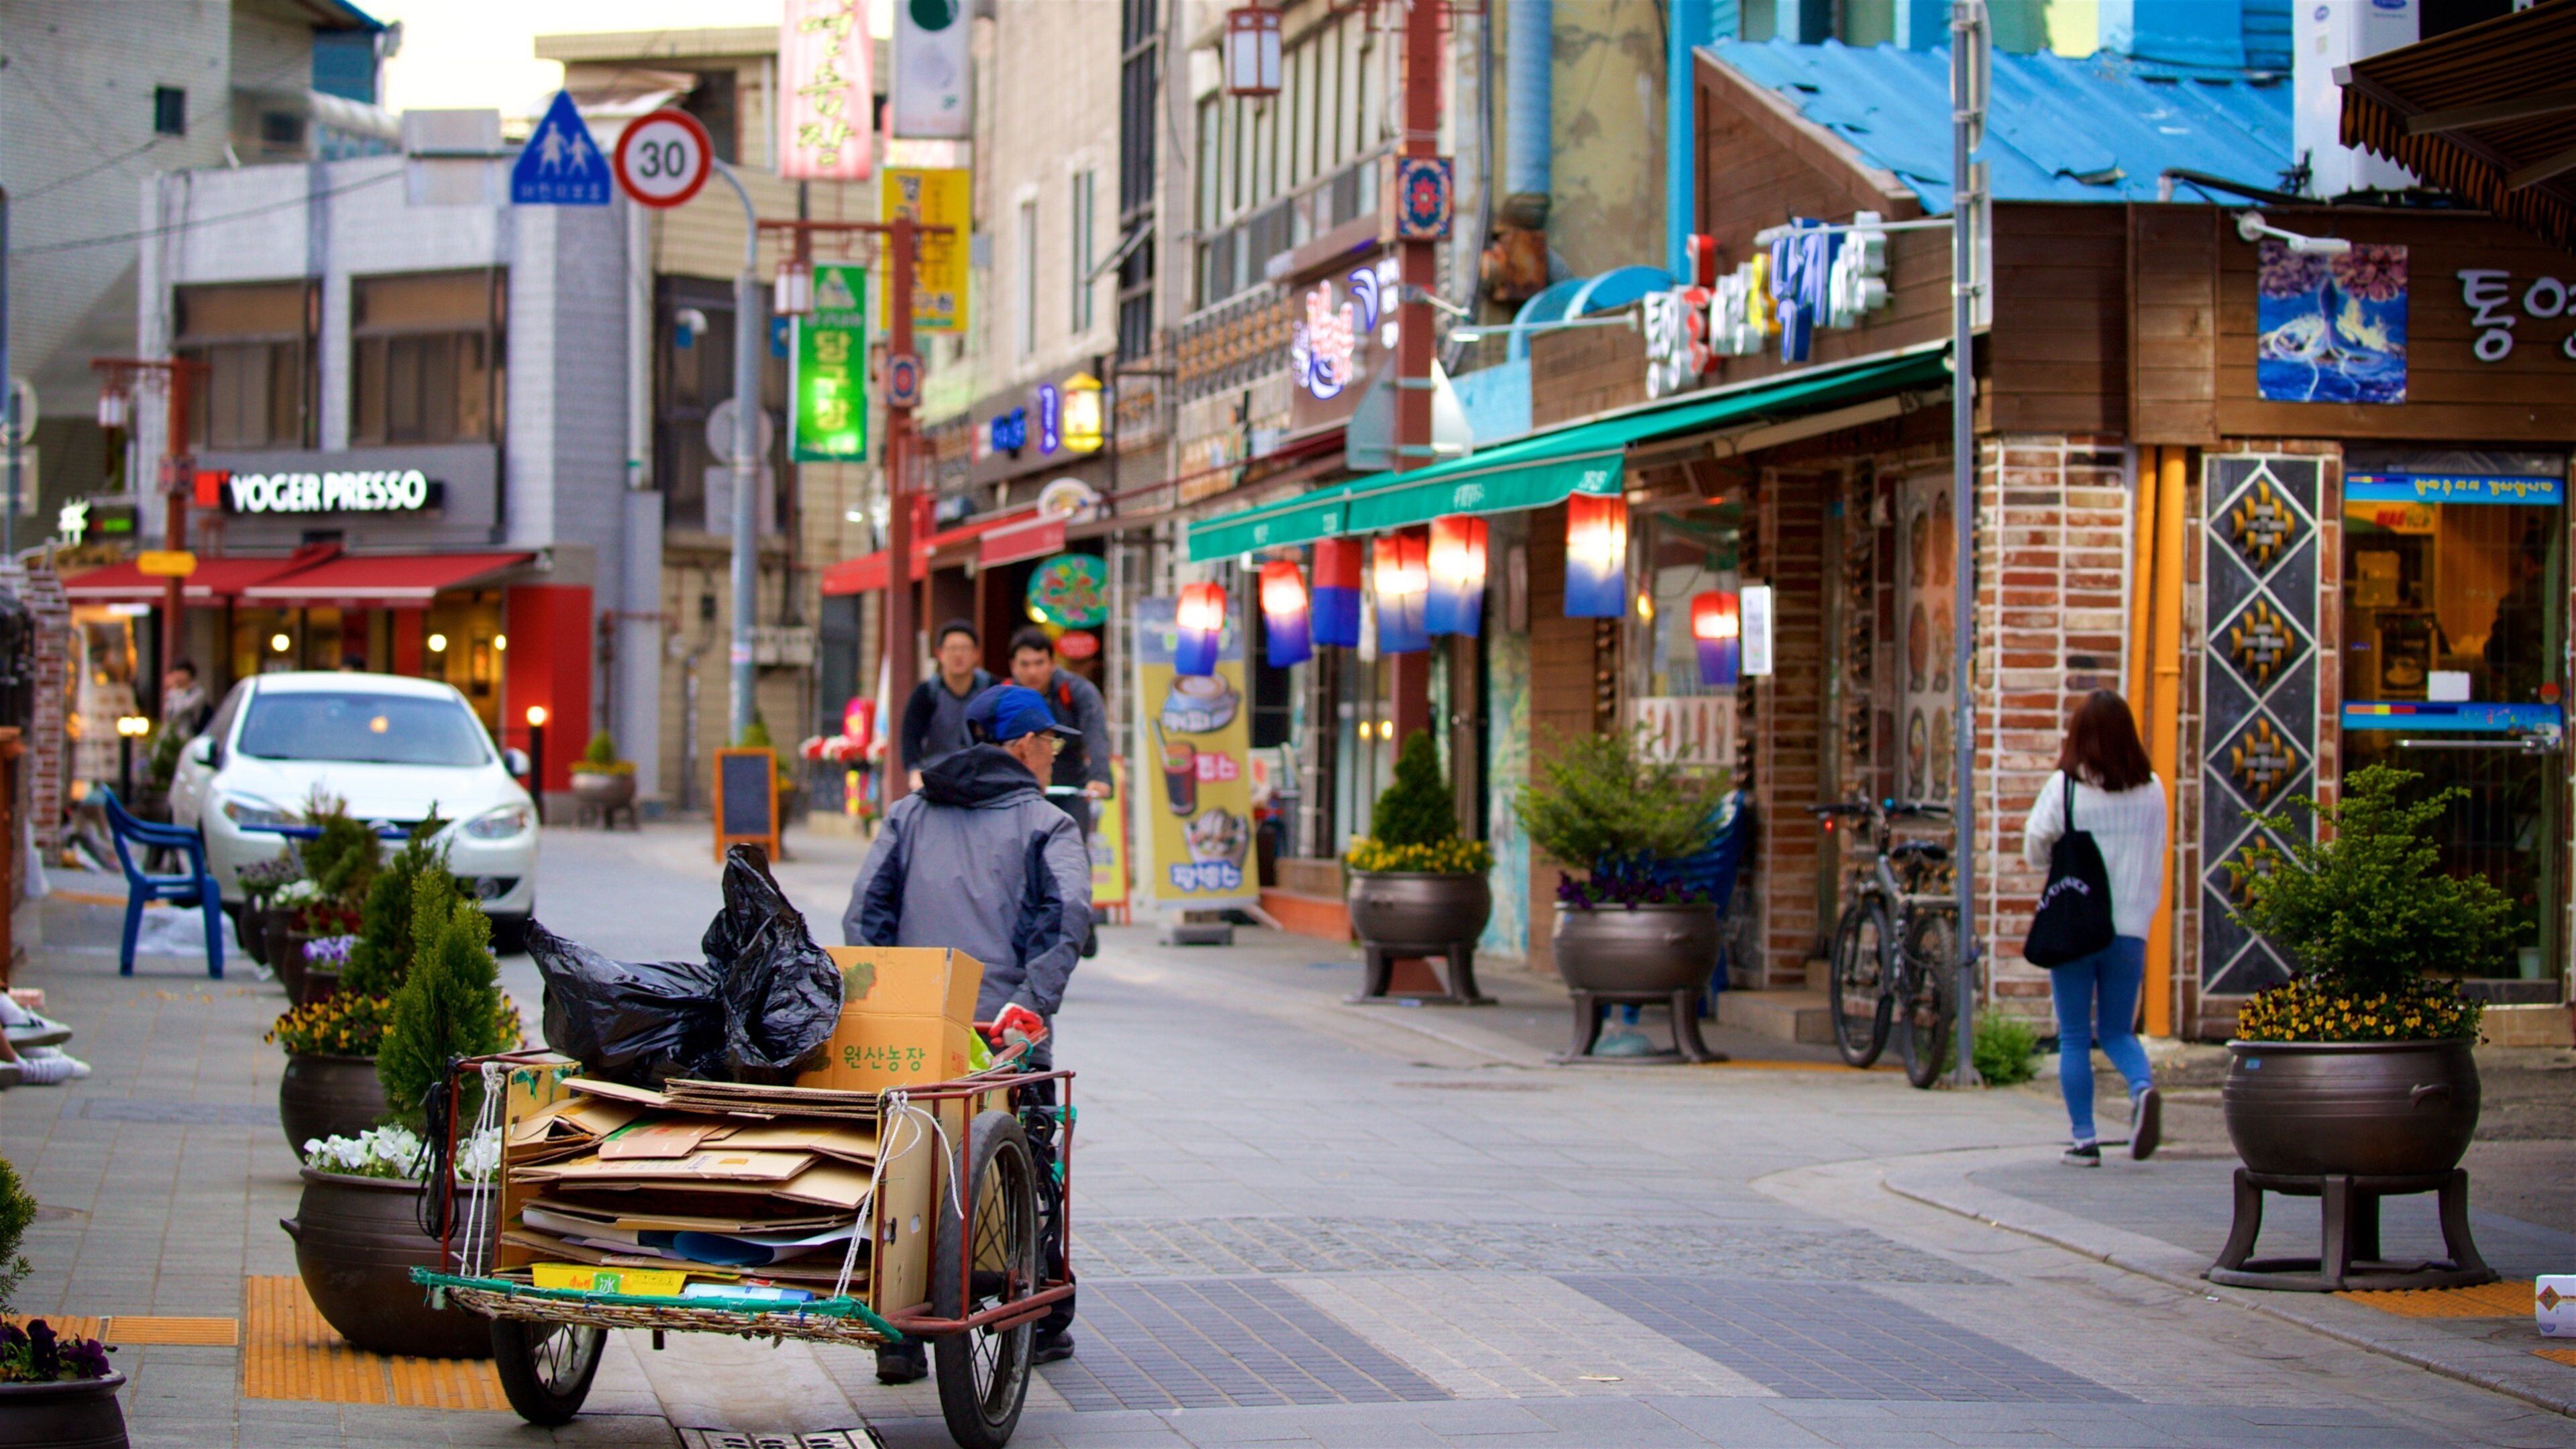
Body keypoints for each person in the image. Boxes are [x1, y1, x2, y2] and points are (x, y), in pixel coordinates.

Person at [845, 683, 1090, 1380]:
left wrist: (891, 1000)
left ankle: (895, 1332)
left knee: (901, 1169)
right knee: (1029, 1167)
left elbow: (866, 916)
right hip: (1006, 1031)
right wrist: (1028, 1011)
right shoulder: (1050, 825)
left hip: (917, 1029)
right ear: (1020, 746)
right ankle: (1038, 1319)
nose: (1052, 754)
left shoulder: (907, 812)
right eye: (1048, 741)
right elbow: (1067, 918)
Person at [2022, 690, 2167, 1167]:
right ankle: (2142, 1088)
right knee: (2118, 1031)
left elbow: (2034, 847)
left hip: (2076, 926)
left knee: (2074, 1036)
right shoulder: (2154, 790)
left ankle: (2084, 1141)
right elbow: (2157, 850)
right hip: (2131, 928)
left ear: (2078, 735)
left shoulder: (2064, 789)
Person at [899, 620, 994, 788]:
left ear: (976, 654)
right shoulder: (927, 692)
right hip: (937, 775)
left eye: (964, 649)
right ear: (940, 653)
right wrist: (914, 772)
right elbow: (910, 736)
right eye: (952, 649)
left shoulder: (991, 689)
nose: (958, 655)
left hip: (983, 776)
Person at [160, 660, 207, 739]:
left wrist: (177, 691)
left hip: (188, 736)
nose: (178, 676)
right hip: (171, 737)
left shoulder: (197, 692)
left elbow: (180, 710)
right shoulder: (173, 692)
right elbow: (168, 712)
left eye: (181, 672)